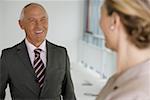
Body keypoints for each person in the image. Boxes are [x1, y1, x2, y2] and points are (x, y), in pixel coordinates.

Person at [0, 3, 76, 100]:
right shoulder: (8, 57)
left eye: (43, 19)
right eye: (32, 20)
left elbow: (69, 94)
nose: (39, 25)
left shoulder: (61, 53)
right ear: (21, 24)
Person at [96, 0, 150, 100]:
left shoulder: (138, 95)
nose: (99, 24)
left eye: (101, 15)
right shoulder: (116, 81)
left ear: (114, 21)